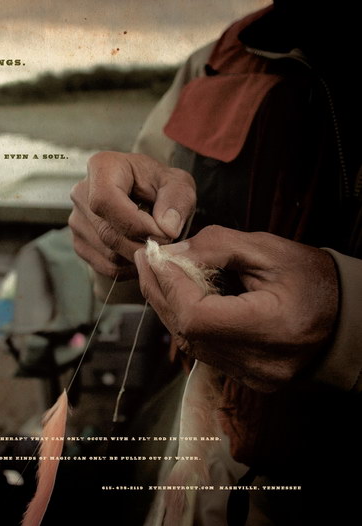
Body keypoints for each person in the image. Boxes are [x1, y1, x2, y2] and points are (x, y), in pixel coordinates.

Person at [69, 2, 361, 525]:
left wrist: (347, 326)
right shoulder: (215, 61)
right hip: (203, 443)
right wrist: (107, 236)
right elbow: (128, 255)